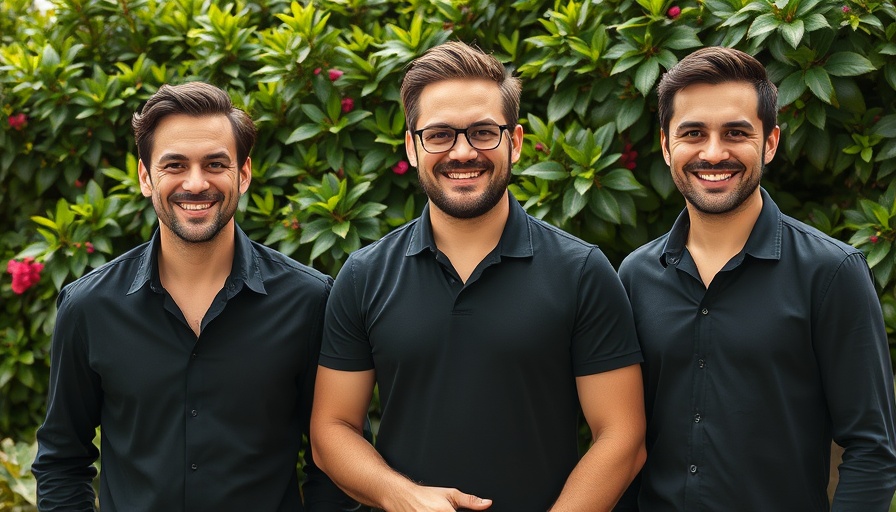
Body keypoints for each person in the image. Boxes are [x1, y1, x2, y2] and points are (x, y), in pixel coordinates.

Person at [310, 40, 646, 512]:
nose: (463, 152)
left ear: (517, 141)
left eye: (484, 132)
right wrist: (402, 496)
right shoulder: (364, 276)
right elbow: (331, 429)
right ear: (412, 145)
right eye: (440, 134)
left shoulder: (582, 272)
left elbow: (623, 436)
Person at [31, 82, 356, 511]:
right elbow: (61, 461)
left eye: (215, 163)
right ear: (147, 178)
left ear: (243, 174)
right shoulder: (88, 307)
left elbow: (334, 460)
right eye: (175, 165)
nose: (196, 182)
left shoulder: (309, 300)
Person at [616, 46, 896, 511]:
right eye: (693, 133)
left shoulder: (832, 273)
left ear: (769, 142)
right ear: (666, 146)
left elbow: (873, 448)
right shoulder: (635, 276)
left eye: (736, 132)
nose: (713, 152)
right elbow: (625, 440)